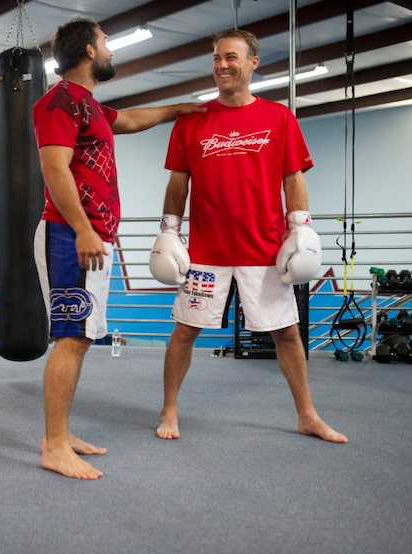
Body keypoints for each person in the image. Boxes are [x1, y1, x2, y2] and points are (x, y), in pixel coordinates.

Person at [150, 29, 348, 444]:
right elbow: (177, 183)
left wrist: (301, 227)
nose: (223, 64)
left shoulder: (278, 118)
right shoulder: (193, 121)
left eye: (232, 57)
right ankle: (170, 408)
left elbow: (292, 177)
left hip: (264, 249)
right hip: (207, 251)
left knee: (288, 332)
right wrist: (169, 230)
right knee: (185, 331)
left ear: (253, 62)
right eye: (218, 57)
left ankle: (307, 414)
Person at [32, 16, 205, 480]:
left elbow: (128, 119)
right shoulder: (58, 102)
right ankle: (53, 444)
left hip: (89, 237)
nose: (110, 51)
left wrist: (179, 109)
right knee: (71, 337)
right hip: (71, 236)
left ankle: (62, 434)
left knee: (82, 336)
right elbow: (55, 168)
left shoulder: (86, 104)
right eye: (106, 43)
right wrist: (84, 229)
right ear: (88, 51)